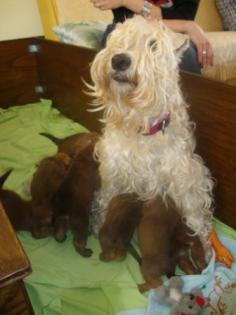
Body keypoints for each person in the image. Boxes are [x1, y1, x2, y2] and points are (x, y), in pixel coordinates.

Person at [90, 0, 214, 74]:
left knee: (185, 53)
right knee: (121, 46)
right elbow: (127, 20)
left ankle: (184, 113)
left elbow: (182, 17)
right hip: (125, 27)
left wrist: (187, 25)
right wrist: (187, 26)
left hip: (171, 31)